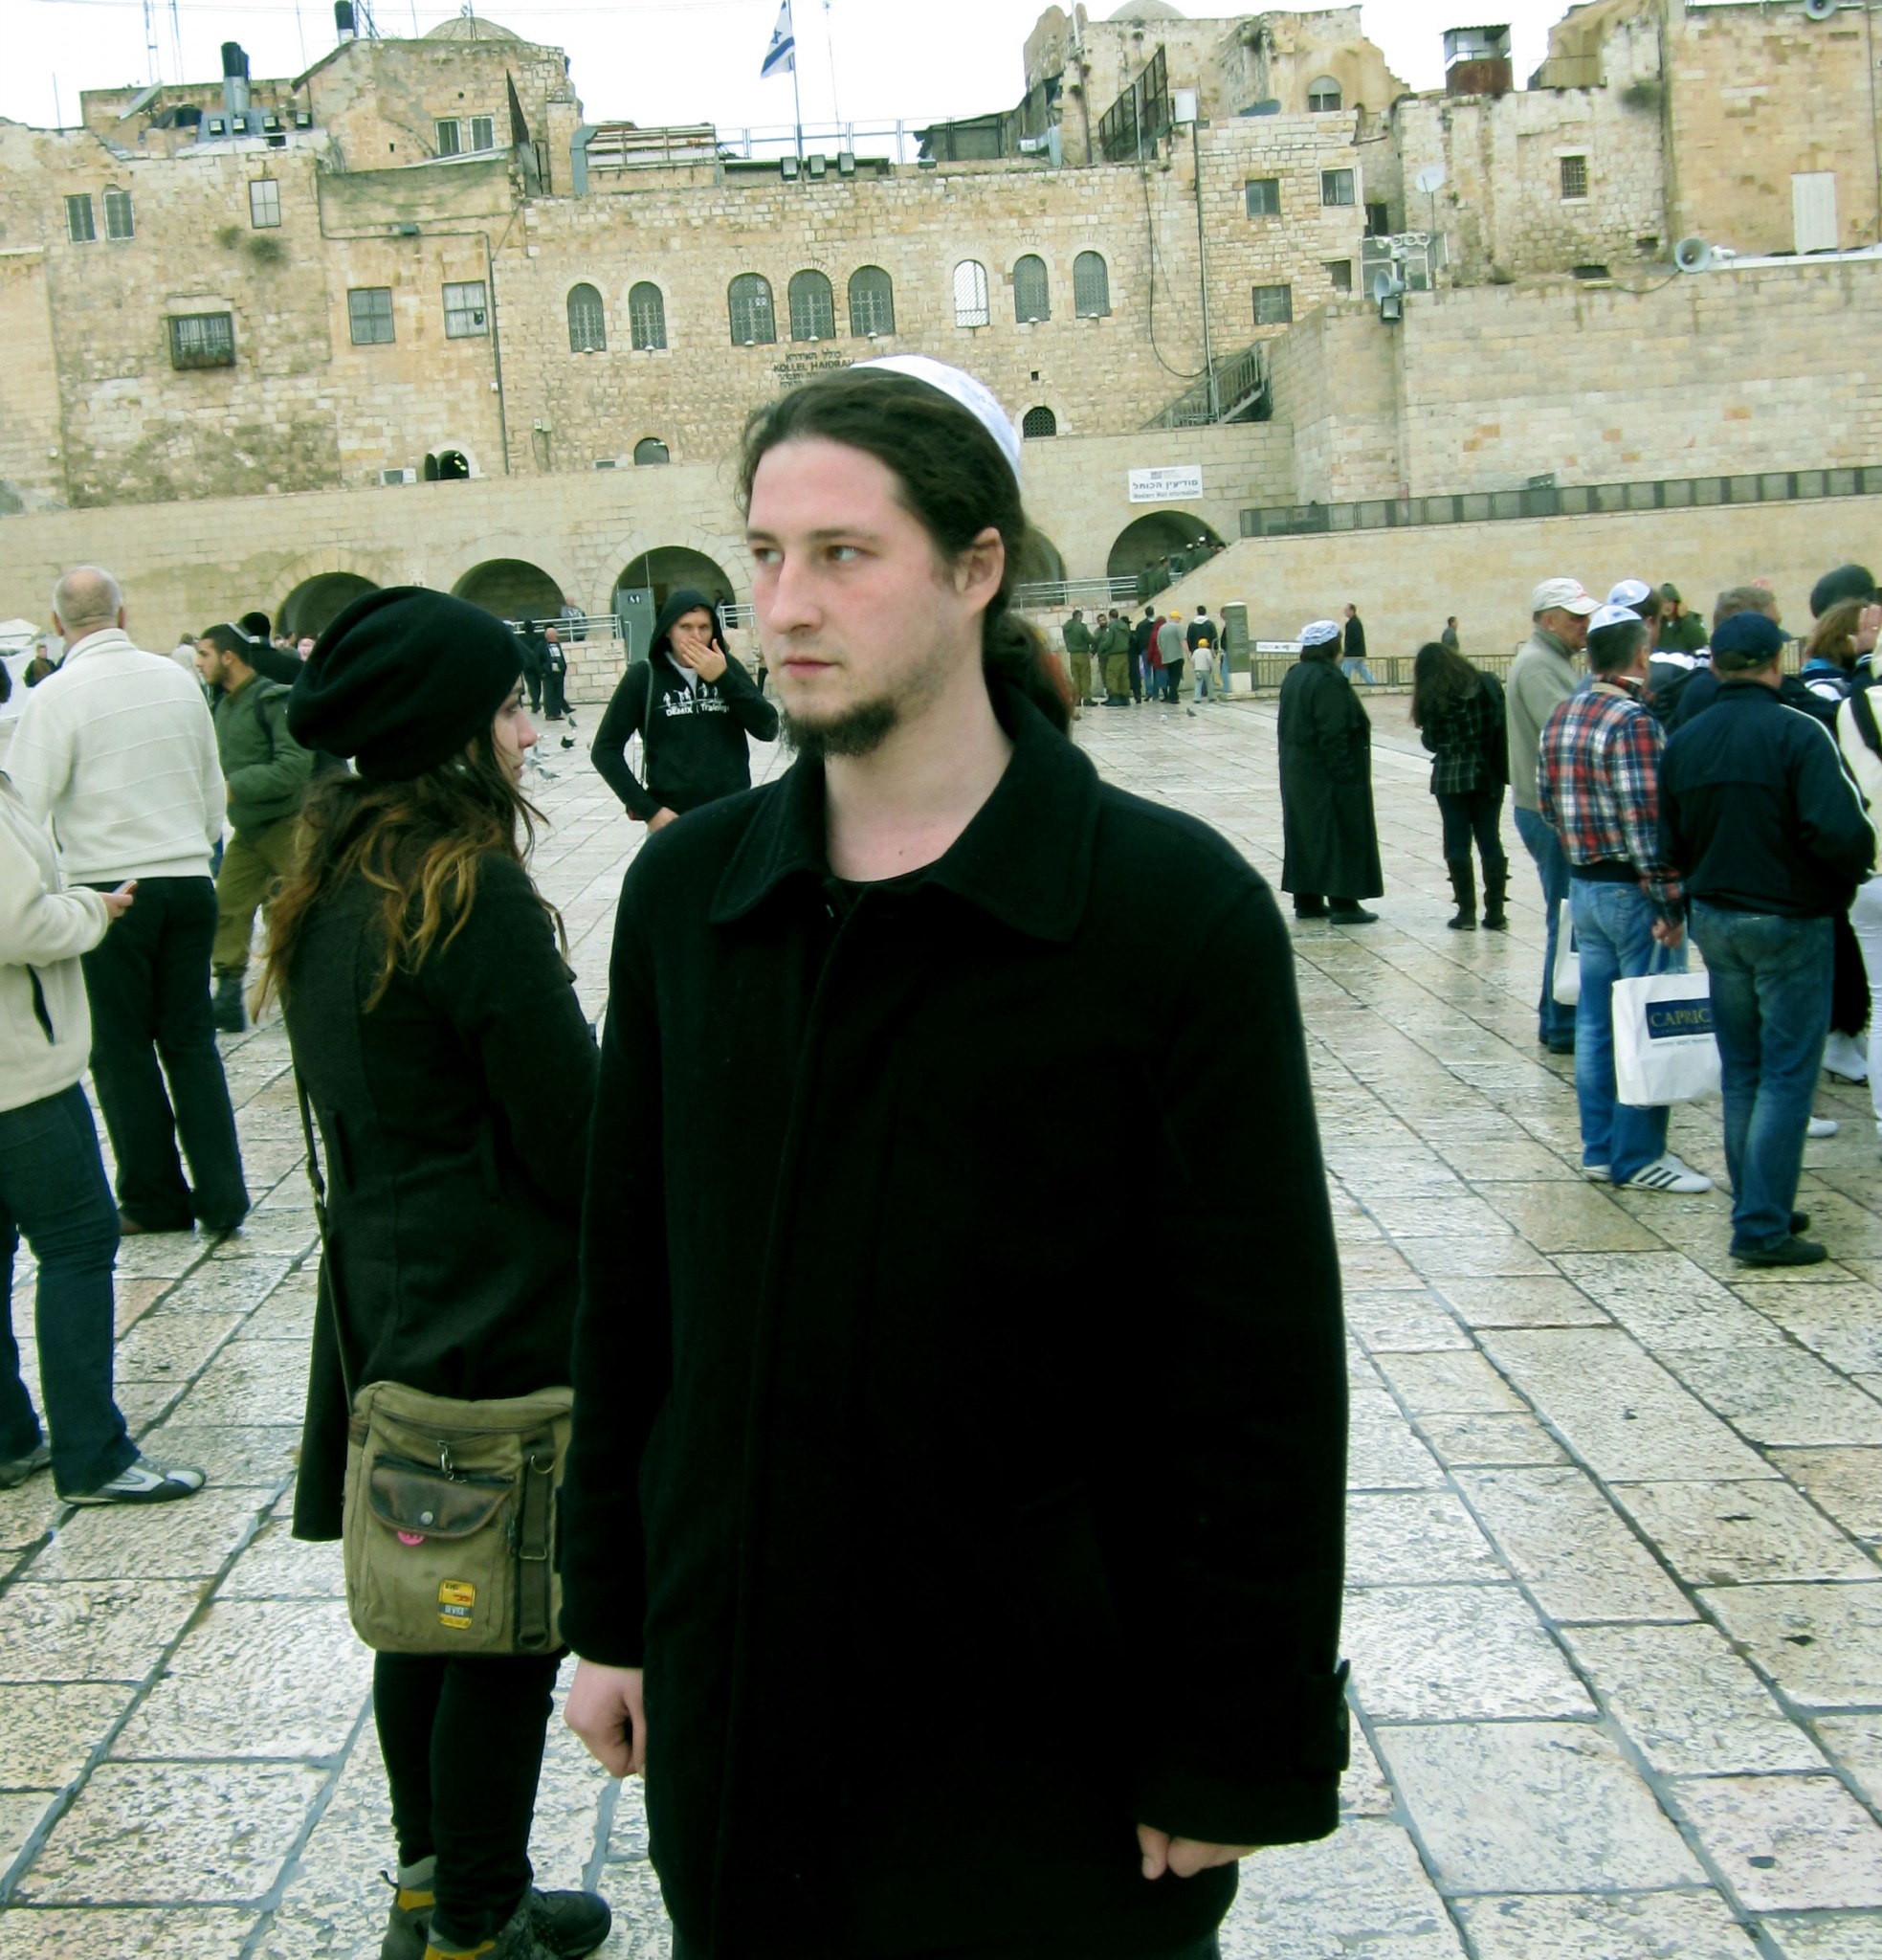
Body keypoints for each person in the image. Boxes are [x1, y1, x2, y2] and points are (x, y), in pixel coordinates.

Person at [559, 357, 1348, 1960]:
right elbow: (633, 1288)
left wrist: (1232, 1736)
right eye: (764, 553)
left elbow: (1255, 1369)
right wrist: (614, 1613)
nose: (784, 603)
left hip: (1048, 1742)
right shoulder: (692, 901)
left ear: (974, 565)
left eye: (842, 554)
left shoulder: (1164, 912)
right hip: (749, 1714)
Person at [273, 589, 609, 1960]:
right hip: (494, 1314)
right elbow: (572, 1133)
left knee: (424, 1616)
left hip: (392, 1300)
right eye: (508, 708)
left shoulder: (336, 877)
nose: (526, 734)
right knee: (500, 1626)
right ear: (451, 732)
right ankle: (477, 1922)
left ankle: (431, 1889)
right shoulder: (464, 888)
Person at [10, 568, 248, 1237]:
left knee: (121, 1050)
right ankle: (223, 1194)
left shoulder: (56, 695)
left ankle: (153, 1196)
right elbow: (212, 787)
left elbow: (23, 809)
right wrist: (190, 850)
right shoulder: (177, 680)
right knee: (191, 1043)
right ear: (122, 614)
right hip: (188, 878)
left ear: (58, 625)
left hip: (110, 889)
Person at [0, 779, 204, 1505]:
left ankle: (8, 1439)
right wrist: (93, 908)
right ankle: (93, 1457)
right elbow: (18, 925)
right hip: (19, 1077)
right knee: (78, 1244)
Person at [1661, 610, 1876, 1265]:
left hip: (1718, 919)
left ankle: (1759, 1199)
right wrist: (1836, 887)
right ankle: (1760, 1225)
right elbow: (1844, 832)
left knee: (1744, 1072)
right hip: (1789, 921)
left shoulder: (1685, 740)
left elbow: (1669, 838)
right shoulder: (1798, 732)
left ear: (1717, 665)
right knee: (1786, 1075)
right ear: (1774, 664)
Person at [1538, 604, 1712, 1194]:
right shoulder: (1633, 722)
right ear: (1641, 655)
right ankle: (1638, 1156)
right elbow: (1646, 822)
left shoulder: (1564, 713)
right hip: (1630, 892)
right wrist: (1668, 903)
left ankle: (1600, 1148)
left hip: (1585, 884)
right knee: (1645, 1020)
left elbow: (1546, 801)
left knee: (1595, 1024)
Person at [195, 624, 315, 1033]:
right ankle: (228, 995)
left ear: (228, 656)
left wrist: (233, 787)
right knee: (228, 906)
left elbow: (295, 766)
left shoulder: (271, 700)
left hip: (287, 828)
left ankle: (308, 991)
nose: (199, 663)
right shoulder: (223, 706)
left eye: (205, 654)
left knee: (298, 914)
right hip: (249, 831)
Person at [591, 590, 779, 828]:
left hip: (732, 814)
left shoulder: (727, 667)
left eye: (704, 627)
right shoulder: (643, 677)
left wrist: (723, 679)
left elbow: (768, 729)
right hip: (674, 820)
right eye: (686, 627)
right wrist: (650, 810)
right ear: (668, 630)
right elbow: (604, 750)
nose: (696, 636)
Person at [1508, 577, 1598, 1053]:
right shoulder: (1540, 665)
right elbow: (1567, 735)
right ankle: (1564, 1024)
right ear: (1548, 620)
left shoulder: (1551, 660)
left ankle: (1556, 1018)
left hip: (1548, 809)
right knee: (1566, 919)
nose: (1585, 624)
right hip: (1550, 813)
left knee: (1565, 916)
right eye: (1575, 617)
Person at [1278, 618, 1383, 924]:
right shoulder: (1327, 679)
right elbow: (1332, 731)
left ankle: (1307, 899)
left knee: (1306, 834)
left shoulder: (1296, 675)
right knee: (1337, 832)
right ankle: (1344, 903)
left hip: (1298, 771)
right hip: (1325, 775)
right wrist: (1345, 774)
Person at [1409, 640, 1508, 930]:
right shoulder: (1487, 684)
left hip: (1450, 777)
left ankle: (1466, 912)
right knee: (1490, 838)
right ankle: (1495, 912)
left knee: (1456, 841)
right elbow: (1500, 726)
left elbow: (1432, 741)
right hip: (1486, 773)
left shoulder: (1433, 696)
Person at [1657, 583, 1709, 655]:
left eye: (1669, 601)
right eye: (1663, 602)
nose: (1666, 606)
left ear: (1676, 603)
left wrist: (1685, 618)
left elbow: (1701, 643)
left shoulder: (1692, 619)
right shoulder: (1658, 622)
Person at [1097, 607, 1132, 705]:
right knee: (1124, 676)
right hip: (1124, 654)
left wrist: (1100, 649)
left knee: (1111, 676)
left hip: (1114, 655)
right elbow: (1129, 636)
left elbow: (1108, 642)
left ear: (1110, 617)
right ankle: (1125, 698)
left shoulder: (1111, 627)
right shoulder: (1124, 626)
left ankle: (1114, 697)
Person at [1062, 607, 1096, 707]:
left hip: (1072, 655)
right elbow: (1090, 639)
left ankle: (1077, 699)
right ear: (1079, 617)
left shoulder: (1066, 628)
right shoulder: (1081, 627)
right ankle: (1087, 698)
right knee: (1085, 676)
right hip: (1082, 653)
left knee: (1076, 678)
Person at [1157, 611, 1187, 703]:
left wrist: (1163, 655)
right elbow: (1183, 641)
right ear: (1175, 618)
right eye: (1179, 618)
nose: (1179, 620)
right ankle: (1174, 697)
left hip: (1166, 657)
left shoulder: (1161, 628)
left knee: (1170, 677)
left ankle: (1171, 695)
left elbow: (1159, 645)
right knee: (1176, 677)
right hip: (1177, 656)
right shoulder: (1178, 627)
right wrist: (1188, 653)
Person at [516, 621, 545, 716]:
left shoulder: (520, 638)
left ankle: (535, 703)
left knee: (531, 685)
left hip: (527, 665)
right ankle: (536, 702)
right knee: (538, 685)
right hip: (538, 664)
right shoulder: (539, 637)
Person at [1187, 605, 1220, 691]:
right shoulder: (1210, 624)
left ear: (1197, 612)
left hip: (1196, 651)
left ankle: (1201, 689)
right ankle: (1206, 689)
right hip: (1208, 650)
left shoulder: (1192, 625)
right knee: (1207, 670)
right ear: (1205, 612)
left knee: (1198, 671)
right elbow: (1214, 637)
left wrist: (1190, 651)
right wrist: (1215, 651)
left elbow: (1189, 639)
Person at [1340, 603, 1374, 685]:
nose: (1345, 612)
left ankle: (1342, 687)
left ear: (1352, 611)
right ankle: (1373, 684)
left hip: (1352, 654)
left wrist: (1346, 651)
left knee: (1345, 672)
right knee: (1363, 671)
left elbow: (1353, 639)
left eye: (1347, 610)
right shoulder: (1356, 622)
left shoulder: (1352, 623)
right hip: (1358, 653)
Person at [1130, 606, 1159, 700]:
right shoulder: (1158, 624)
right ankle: (1156, 693)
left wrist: (1139, 650)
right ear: (1153, 612)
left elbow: (1137, 639)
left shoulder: (1140, 625)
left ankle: (1149, 692)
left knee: (1147, 672)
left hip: (1145, 650)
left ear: (1145, 613)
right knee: (1156, 672)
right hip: (1156, 650)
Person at [541, 627, 568, 722]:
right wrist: (543, 671)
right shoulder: (541, 646)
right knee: (549, 694)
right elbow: (537, 659)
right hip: (548, 674)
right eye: (555, 634)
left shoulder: (557, 645)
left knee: (558, 693)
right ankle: (549, 713)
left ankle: (557, 712)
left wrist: (563, 668)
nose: (557, 635)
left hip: (558, 672)